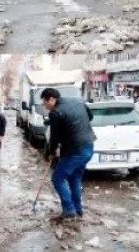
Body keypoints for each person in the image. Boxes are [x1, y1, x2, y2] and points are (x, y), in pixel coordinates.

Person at [41, 88, 97, 221]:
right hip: (89, 146)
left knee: (57, 178)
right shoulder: (78, 101)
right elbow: (90, 117)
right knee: (74, 178)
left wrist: (51, 153)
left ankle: (69, 209)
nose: (45, 106)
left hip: (75, 151)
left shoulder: (55, 113)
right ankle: (78, 209)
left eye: (45, 102)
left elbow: (54, 138)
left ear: (52, 99)